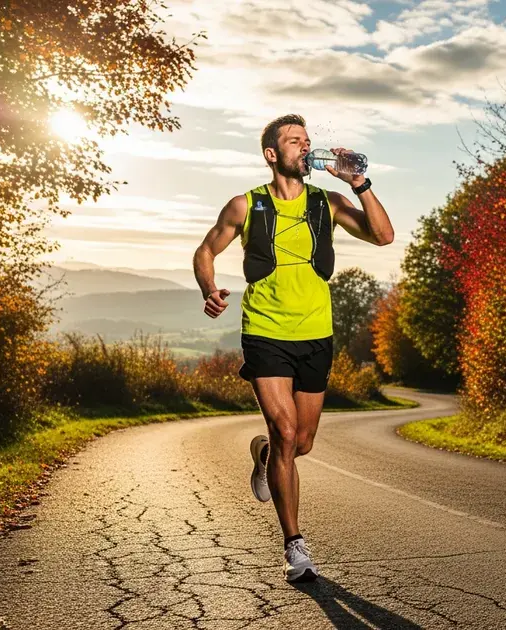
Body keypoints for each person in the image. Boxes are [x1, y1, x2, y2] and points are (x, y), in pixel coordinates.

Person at [192, 114, 394, 582]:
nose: (305, 147)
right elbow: (205, 251)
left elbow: (383, 236)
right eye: (294, 141)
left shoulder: (329, 202)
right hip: (265, 330)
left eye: (308, 140)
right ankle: (294, 546)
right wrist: (209, 288)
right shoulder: (245, 205)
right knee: (285, 432)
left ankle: (265, 456)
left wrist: (360, 184)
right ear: (272, 154)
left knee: (300, 442)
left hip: (316, 332)